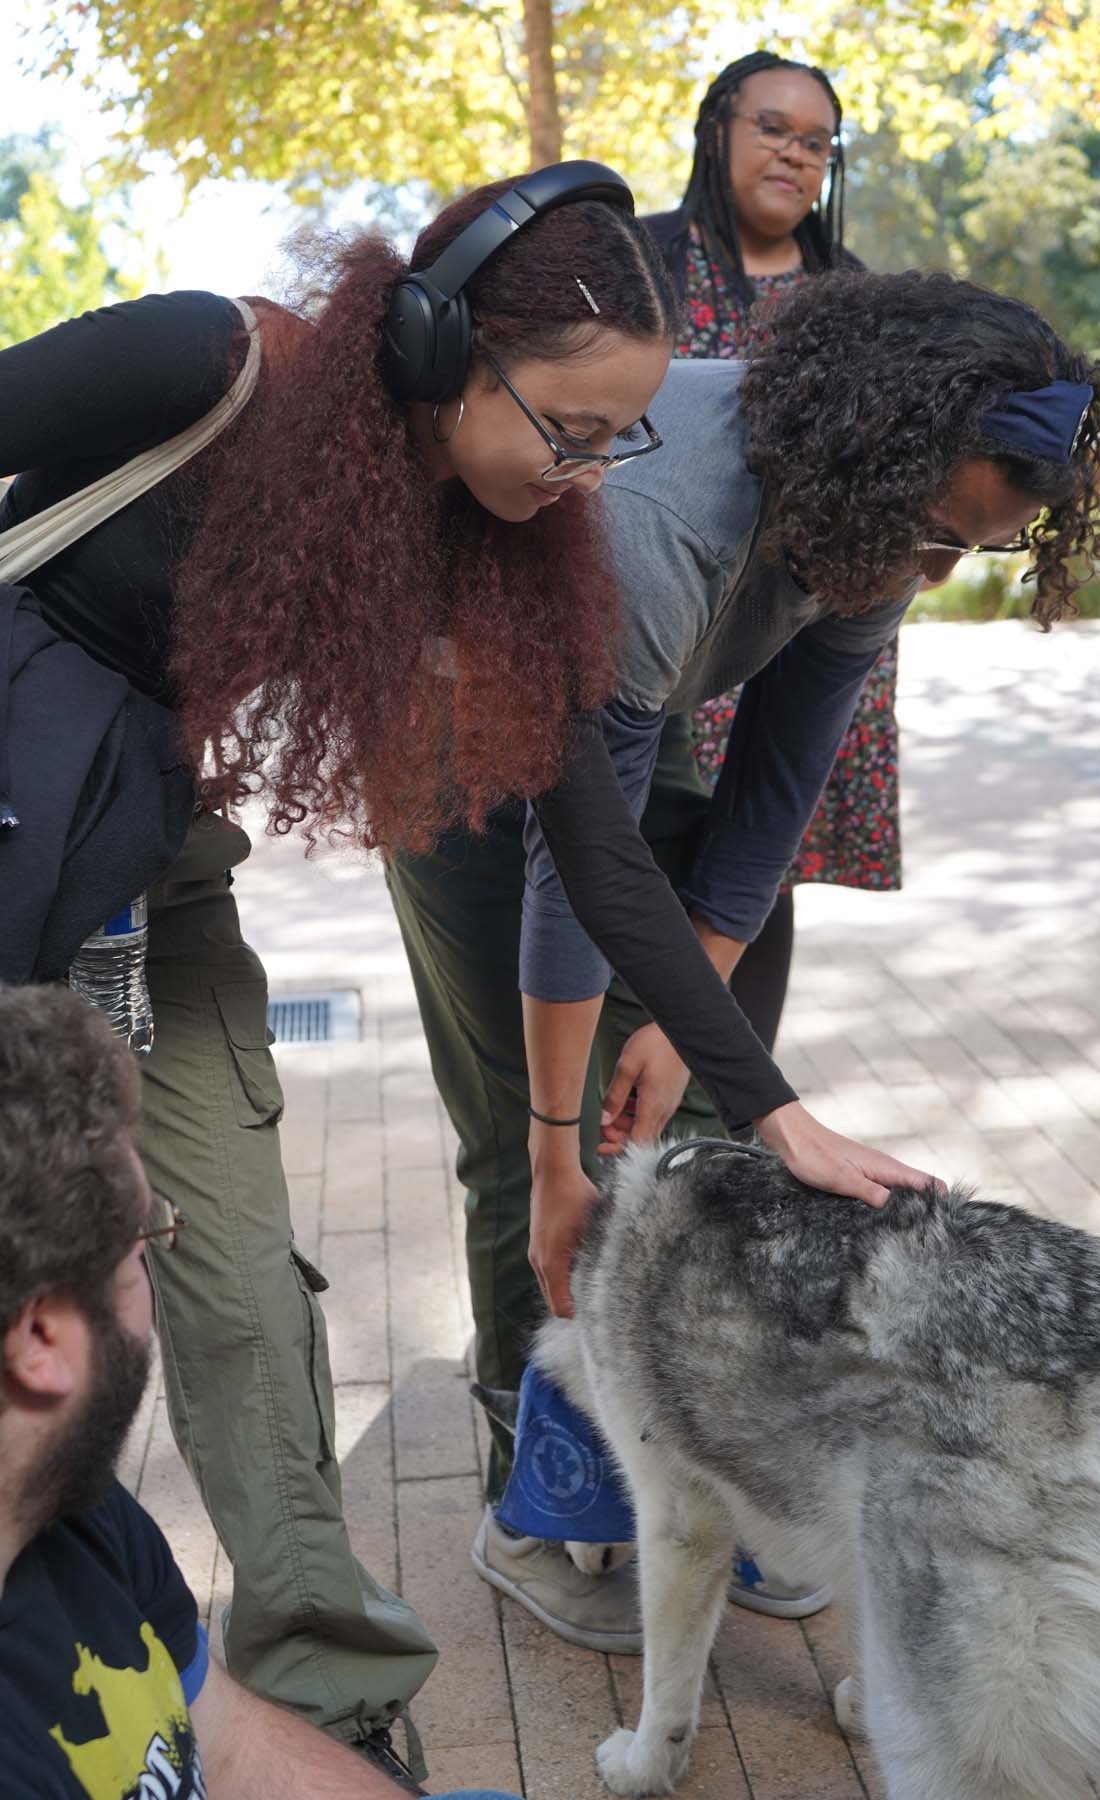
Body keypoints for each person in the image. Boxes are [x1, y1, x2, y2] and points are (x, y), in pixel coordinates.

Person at [0, 163, 677, 1775]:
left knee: (229, 1289)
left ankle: (325, 1686)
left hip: (143, 890)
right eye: (568, 429)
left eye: (616, 444)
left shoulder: (494, 543)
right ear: (444, 346)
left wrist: (775, 1110)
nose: (587, 474)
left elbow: (601, 853)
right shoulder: (208, 364)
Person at [386, 269, 1100, 1651]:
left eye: (971, 550)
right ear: (878, 452)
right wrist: (557, 1148)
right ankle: (542, 1503)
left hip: (629, 717)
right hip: (464, 757)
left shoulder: (882, 530)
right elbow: (572, 873)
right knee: (527, 1149)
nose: (930, 571)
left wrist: (692, 1007)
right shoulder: (662, 522)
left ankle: (697, 1479)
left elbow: (773, 791)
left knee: (682, 1112)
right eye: (929, 533)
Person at [0, 981, 524, 1800]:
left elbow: (236, 1746)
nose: (159, 1263)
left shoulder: (80, 1508)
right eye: (146, 1237)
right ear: (41, 1338)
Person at [643, 49, 900, 1059]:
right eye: (774, 129)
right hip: (669, 612)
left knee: (758, 858)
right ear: (719, 131)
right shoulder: (640, 260)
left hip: (805, 624)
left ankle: (733, 1099)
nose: (796, 154)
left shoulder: (861, 298)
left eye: (817, 142)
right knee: (644, 845)